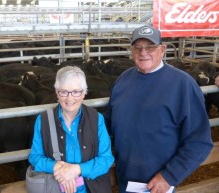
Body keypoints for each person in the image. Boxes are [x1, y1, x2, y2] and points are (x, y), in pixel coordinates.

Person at [104, 25, 213, 193]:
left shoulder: (182, 84)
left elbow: (199, 141)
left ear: (162, 49)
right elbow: (108, 125)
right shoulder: (122, 80)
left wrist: (170, 176)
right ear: (131, 50)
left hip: (158, 183)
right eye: (138, 48)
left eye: (150, 47)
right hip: (125, 178)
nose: (143, 53)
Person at [28, 66, 114, 193]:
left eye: (76, 92)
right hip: (56, 187)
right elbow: (35, 156)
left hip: (91, 188)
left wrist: (76, 170)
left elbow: (106, 159)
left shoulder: (96, 119)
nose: (69, 98)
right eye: (63, 92)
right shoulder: (43, 120)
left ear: (84, 93)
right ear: (57, 93)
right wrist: (57, 168)